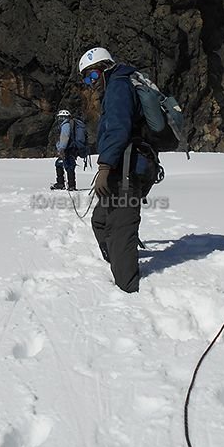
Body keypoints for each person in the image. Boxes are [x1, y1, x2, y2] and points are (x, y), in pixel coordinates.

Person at [79, 46, 159, 293]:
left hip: (127, 166)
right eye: (86, 79)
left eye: (92, 76)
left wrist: (104, 167)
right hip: (126, 164)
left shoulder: (118, 86)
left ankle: (128, 290)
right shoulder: (122, 84)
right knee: (101, 220)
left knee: (120, 227)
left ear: (104, 68)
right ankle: (118, 261)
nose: (91, 83)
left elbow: (118, 128)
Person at [50, 110, 78, 191]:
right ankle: (65, 184)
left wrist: (61, 149)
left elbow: (65, 137)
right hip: (70, 149)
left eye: (61, 117)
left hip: (67, 150)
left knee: (68, 166)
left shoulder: (65, 125)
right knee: (63, 164)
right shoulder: (69, 124)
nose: (60, 119)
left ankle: (68, 185)